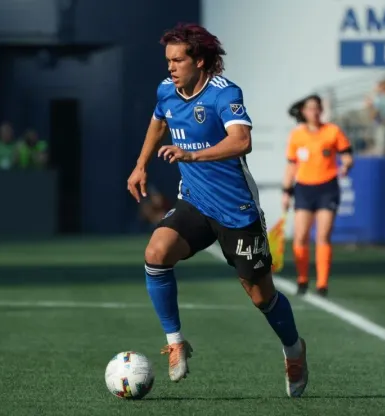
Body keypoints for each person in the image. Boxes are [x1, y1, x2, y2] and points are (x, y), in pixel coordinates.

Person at [126, 23, 308, 398]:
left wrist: (191, 154)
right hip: (193, 201)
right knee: (156, 254)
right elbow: (158, 121)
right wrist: (141, 164)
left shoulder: (224, 94)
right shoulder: (166, 90)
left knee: (261, 296)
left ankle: (293, 349)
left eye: (178, 60)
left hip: (236, 210)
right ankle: (176, 342)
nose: (171, 67)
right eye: (168, 60)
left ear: (201, 60)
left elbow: (242, 141)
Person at [281, 95, 354, 297]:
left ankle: (322, 283)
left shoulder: (332, 131)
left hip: (327, 187)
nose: (314, 112)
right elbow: (291, 165)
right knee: (301, 235)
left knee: (323, 235)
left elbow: (347, 154)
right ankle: (302, 278)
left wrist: (346, 165)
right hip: (304, 188)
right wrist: (286, 192)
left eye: (317, 108)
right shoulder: (297, 135)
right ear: (303, 112)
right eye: (310, 108)